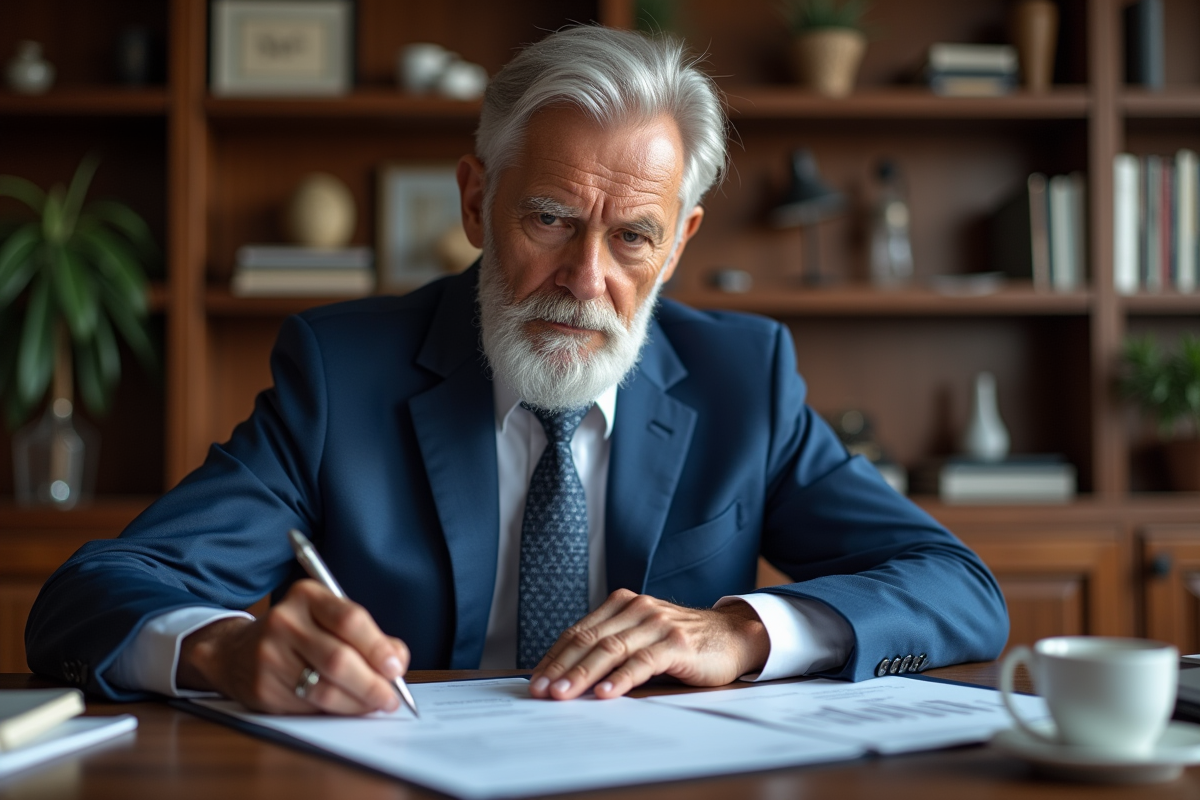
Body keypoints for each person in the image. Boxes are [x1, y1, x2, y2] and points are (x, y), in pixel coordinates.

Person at [26, 26, 1007, 715]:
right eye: (548, 218)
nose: (586, 280)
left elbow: (959, 587)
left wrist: (743, 633)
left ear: (677, 246)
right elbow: (92, 593)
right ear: (475, 198)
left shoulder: (742, 377)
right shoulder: (342, 374)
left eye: (632, 237)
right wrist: (224, 648)